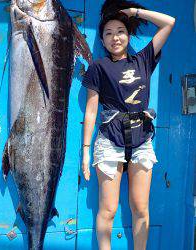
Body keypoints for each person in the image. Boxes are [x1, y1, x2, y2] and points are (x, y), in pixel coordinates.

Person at [81, 7, 175, 250]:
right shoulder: (98, 67)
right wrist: (85, 151)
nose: (115, 37)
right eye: (109, 33)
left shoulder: (143, 59)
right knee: (108, 210)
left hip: (141, 140)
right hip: (110, 141)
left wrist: (134, 12)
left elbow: (168, 23)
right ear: (102, 40)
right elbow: (91, 109)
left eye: (120, 31)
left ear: (129, 36)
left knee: (140, 208)